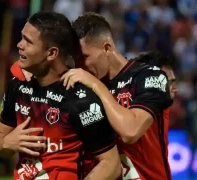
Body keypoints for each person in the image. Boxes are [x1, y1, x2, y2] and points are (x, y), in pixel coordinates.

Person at [10, 13, 174, 180]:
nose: (80, 66)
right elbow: (39, 66)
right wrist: (31, 69)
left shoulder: (149, 77)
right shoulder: (79, 85)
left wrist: (96, 85)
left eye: (85, 58)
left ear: (107, 48)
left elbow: (130, 131)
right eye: (76, 59)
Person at [0, 12, 121, 180]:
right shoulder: (18, 85)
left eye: (28, 42)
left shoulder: (80, 99)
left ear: (52, 53)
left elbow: (111, 164)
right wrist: (7, 143)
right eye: (22, 38)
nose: (19, 45)